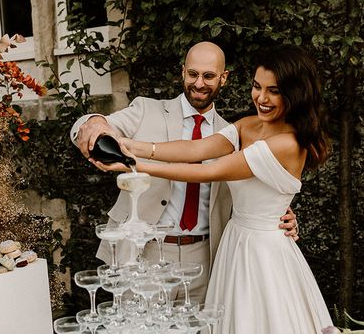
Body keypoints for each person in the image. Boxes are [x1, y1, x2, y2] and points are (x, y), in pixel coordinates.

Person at [93, 44, 360, 334]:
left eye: (274, 91)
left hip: (265, 258)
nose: (262, 98)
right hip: (235, 249)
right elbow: (198, 147)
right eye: (257, 87)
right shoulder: (249, 125)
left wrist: (133, 163)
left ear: (295, 94)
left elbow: (209, 170)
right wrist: (133, 144)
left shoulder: (287, 141)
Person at [71, 42, 298, 303]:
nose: (199, 83)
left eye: (209, 76)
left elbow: (257, 183)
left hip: (206, 257)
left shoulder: (235, 134)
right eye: (193, 74)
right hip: (145, 252)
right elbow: (96, 125)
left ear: (223, 78)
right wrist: (94, 124)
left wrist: (279, 215)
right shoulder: (146, 110)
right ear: (182, 72)